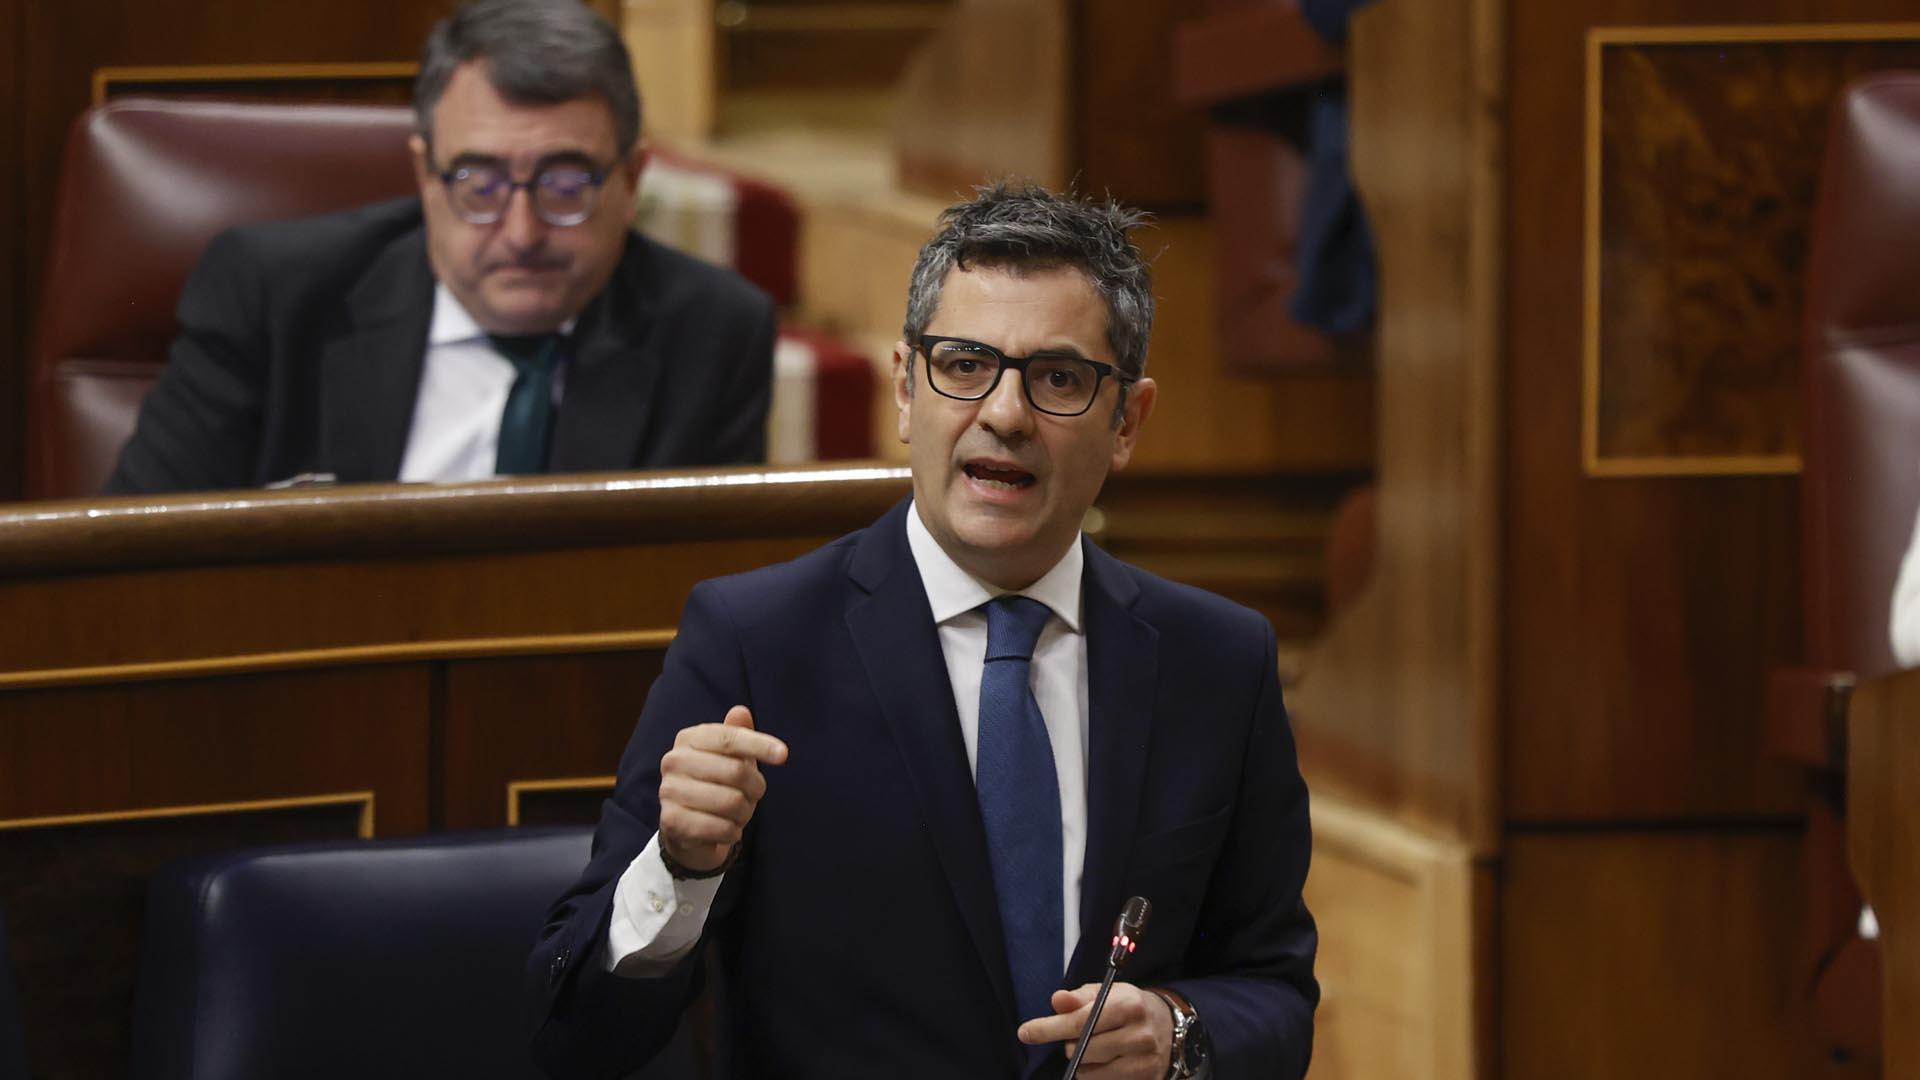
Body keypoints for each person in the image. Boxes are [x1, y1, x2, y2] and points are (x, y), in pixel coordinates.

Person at [529, 184, 1318, 1079]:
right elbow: (582, 1027)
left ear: (1126, 422)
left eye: (1058, 378)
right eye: (965, 364)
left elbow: (1276, 991)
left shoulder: (1220, 660)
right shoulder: (755, 641)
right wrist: (681, 867)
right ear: (907, 389)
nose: (1007, 414)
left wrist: (1179, 1032)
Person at [105, 0, 773, 495]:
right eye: (479, 185)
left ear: (631, 179)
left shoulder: (712, 333)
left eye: (565, 185)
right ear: (425, 176)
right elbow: (140, 566)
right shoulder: (270, 296)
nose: (521, 233)